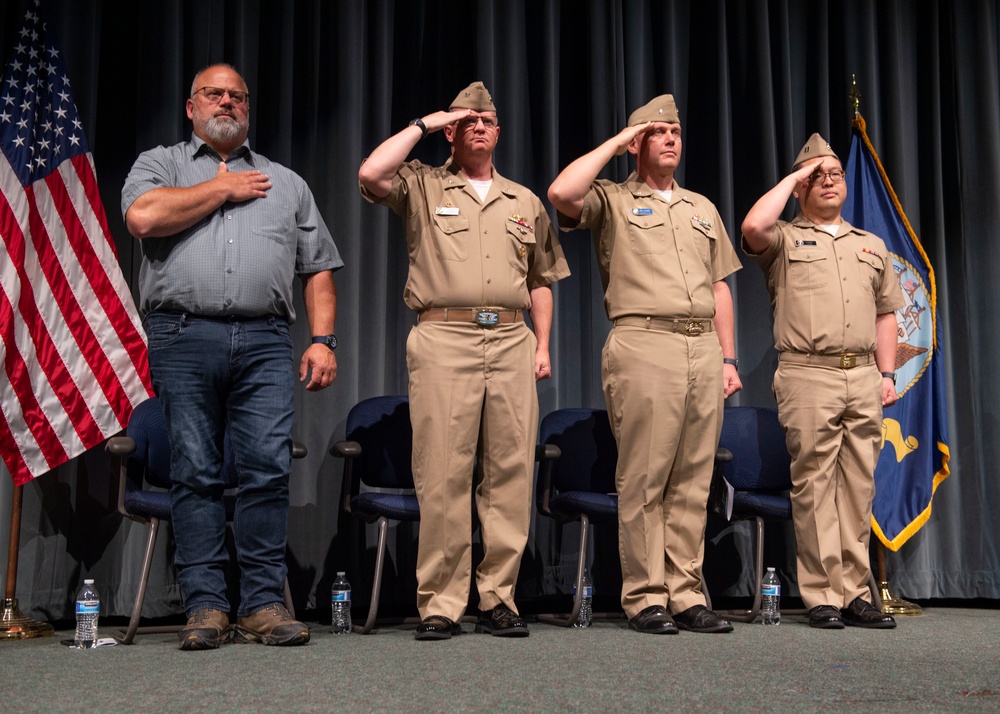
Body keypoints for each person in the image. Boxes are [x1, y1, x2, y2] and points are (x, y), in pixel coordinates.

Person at [122, 63, 343, 649]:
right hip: (182, 335)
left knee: (267, 470)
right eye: (214, 94)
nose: (227, 103)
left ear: (248, 108)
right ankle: (206, 607)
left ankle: (263, 605)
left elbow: (318, 268)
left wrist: (322, 340)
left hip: (266, 341)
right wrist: (221, 187)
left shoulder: (286, 183)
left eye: (237, 96)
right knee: (193, 472)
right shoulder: (159, 165)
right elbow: (143, 217)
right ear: (190, 106)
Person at [358, 81, 570, 640]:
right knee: (443, 473)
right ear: (451, 130)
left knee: (510, 472)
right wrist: (423, 124)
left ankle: (499, 598)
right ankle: (441, 603)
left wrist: (542, 346)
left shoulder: (524, 200)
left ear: (499, 132)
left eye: (487, 120)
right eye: (466, 120)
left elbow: (542, 279)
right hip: (444, 337)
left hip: (510, 338)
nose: (479, 126)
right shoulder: (423, 184)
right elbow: (370, 174)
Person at [548, 95, 741, 634]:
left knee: (693, 478)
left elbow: (720, 287)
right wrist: (616, 143)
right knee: (646, 476)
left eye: (676, 131)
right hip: (644, 341)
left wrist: (728, 357)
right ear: (637, 145)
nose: (672, 139)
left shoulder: (702, 207)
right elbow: (562, 193)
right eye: (659, 132)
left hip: (702, 346)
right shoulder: (610, 198)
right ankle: (645, 596)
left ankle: (686, 593)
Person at [741, 133, 903, 629]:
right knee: (813, 485)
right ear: (800, 187)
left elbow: (887, 315)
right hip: (808, 373)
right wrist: (795, 175)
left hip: (862, 374)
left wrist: (888, 372)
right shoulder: (786, 239)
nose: (828, 181)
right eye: (817, 176)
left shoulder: (870, 246)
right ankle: (820, 594)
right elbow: (752, 225)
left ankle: (856, 591)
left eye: (835, 174)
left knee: (858, 486)